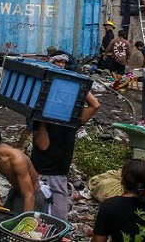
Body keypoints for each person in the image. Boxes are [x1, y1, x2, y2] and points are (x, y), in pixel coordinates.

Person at [32, 91, 101, 221]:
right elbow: (43, 145)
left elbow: (95, 105)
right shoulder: (46, 119)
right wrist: (42, 121)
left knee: (52, 218)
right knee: (40, 217)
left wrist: (80, 85)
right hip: (43, 175)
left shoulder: (72, 120)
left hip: (58, 175)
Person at [0, 122, 49, 214]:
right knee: (5, 217)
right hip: (17, 191)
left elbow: (29, 194)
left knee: (22, 221)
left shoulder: (17, 160)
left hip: (33, 197)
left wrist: (26, 219)